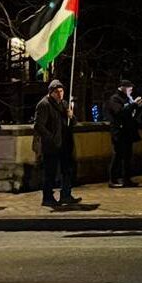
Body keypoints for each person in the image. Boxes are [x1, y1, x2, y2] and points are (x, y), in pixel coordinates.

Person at [33, 79, 79, 208]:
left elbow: (74, 123)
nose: (60, 94)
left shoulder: (64, 104)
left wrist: (71, 116)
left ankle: (66, 194)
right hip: (52, 145)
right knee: (50, 172)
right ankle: (47, 197)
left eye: (61, 91)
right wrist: (51, 138)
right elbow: (38, 125)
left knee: (67, 170)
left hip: (65, 143)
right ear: (51, 92)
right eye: (57, 92)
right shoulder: (44, 104)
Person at [105, 79, 142, 187]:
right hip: (119, 132)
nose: (131, 89)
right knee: (117, 155)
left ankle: (127, 179)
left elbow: (132, 114)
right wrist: (133, 105)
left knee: (127, 157)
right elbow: (120, 112)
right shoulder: (115, 99)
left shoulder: (127, 98)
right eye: (129, 87)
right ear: (122, 87)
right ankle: (113, 179)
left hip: (127, 132)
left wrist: (138, 106)